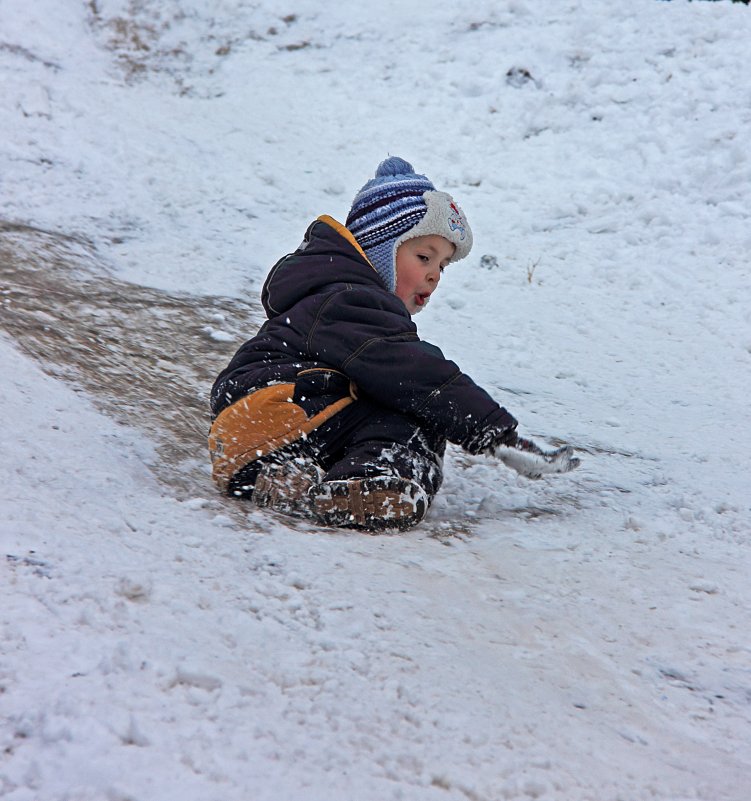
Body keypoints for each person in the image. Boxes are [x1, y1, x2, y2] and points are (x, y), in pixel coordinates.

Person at [208, 156, 578, 531]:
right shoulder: (353, 300)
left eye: (442, 266)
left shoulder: (329, 297)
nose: (433, 275)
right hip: (289, 404)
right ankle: (371, 484)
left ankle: (290, 481)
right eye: (423, 257)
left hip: (253, 430)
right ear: (379, 250)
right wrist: (495, 432)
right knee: (416, 415)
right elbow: (418, 374)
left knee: (374, 406)